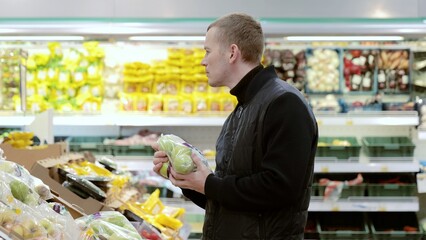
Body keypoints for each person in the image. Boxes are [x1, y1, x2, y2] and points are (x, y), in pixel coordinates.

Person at [152, 12, 318, 240]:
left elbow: (280, 188)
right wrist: (187, 180)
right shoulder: (242, 108)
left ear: (232, 53)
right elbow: (228, 198)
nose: (203, 61)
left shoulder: (284, 103)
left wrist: (209, 184)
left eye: (207, 51)